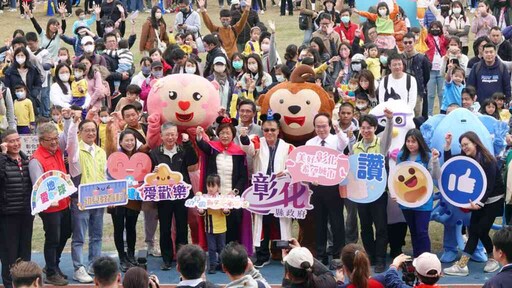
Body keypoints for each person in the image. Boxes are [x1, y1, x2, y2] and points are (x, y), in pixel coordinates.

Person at [443, 131, 505, 276]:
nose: (464, 147)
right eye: (462, 145)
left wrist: (480, 204)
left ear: (475, 143)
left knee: (478, 230)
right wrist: (447, 145)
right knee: (477, 229)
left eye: (467, 144)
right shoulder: (466, 157)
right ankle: (492, 257)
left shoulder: (487, 160)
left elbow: (489, 186)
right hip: (478, 200)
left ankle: (462, 265)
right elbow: (450, 164)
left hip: (493, 199)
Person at [240, 111, 294, 268]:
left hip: (280, 190)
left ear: (279, 131)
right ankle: (263, 255)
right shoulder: (257, 141)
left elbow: (294, 167)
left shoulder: (288, 147)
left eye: (273, 130)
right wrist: (244, 137)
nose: (269, 133)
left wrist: (286, 172)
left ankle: (283, 254)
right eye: (266, 130)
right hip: (262, 190)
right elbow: (249, 149)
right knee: (262, 222)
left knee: (281, 221)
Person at [29, 120, 74, 286]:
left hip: (64, 202)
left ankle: (52, 265)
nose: (55, 142)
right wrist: (51, 200)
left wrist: (69, 120)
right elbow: (38, 186)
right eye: (50, 139)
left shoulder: (57, 151)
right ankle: (51, 272)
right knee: (53, 239)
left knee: (66, 232)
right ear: (41, 141)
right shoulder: (36, 160)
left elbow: (68, 137)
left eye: (56, 138)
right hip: (49, 207)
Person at [196, 118, 251, 253]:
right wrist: (198, 135)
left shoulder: (239, 152)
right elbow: (202, 145)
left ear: (233, 135)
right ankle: (217, 256)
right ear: (218, 134)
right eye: (222, 133)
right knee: (216, 227)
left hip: (232, 196)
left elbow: (243, 176)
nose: (225, 136)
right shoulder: (213, 149)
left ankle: (232, 254)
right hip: (215, 197)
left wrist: (235, 191)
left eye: (228, 133)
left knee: (233, 225)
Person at [149, 122, 198, 270]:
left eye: (173, 134)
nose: (170, 137)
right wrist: (153, 171)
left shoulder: (183, 150)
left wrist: (188, 143)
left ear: (177, 135)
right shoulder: (155, 153)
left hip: (182, 195)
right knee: (165, 228)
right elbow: (150, 175)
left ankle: (182, 257)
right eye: (167, 135)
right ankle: (167, 258)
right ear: (161, 136)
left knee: (182, 227)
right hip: (163, 196)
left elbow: (193, 161)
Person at [351, 109, 394, 273]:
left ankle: (381, 258)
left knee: (381, 226)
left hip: (379, 193)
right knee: (366, 227)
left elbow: (388, 135)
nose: (366, 130)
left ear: (375, 128)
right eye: (363, 127)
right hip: (362, 194)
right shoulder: (356, 146)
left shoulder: (381, 144)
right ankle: (370, 256)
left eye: (369, 127)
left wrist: (389, 120)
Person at [306, 113, 348, 267]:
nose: (321, 129)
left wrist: (338, 129)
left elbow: (345, 142)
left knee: (337, 221)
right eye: (318, 126)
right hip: (316, 187)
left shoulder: (337, 139)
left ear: (329, 126)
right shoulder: (310, 142)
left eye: (324, 126)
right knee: (319, 222)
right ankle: (321, 254)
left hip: (334, 187)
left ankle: (338, 255)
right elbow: (307, 164)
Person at [67, 118, 107, 283]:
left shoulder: (101, 151)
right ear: (80, 132)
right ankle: (78, 268)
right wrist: (74, 122)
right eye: (87, 130)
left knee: (97, 235)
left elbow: (104, 175)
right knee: (79, 237)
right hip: (81, 201)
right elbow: (70, 140)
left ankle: (94, 264)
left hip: (99, 200)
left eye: (93, 130)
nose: (91, 133)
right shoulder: (75, 151)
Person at [396, 129, 440, 257]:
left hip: (423, 200)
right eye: (408, 141)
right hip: (407, 201)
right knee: (413, 231)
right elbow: (398, 176)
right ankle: (417, 258)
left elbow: (436, 175)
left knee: (422, 231)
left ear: (420, 142)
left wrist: (435, 161)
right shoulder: (401, 156)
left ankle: (426, 259)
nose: (410, 144)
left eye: (413, 142)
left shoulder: (428, 156)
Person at [0, 130, 34, 288]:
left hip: (26, 214)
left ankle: (24, 283)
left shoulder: (27, 160)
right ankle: (9, 284)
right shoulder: (2, 161)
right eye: (11, 141)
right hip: (8, 215)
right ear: (4, 144)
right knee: (9, 254)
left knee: (25, 253)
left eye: (17, 140)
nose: (15, 144)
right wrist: (2, 155)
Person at [105, 130, 142, 272]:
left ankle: (131, 254)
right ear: (120, 142)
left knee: (131, 227)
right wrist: (111, 196)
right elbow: (108, 176)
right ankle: (122, 257)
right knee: (119, 227)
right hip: (117, 197)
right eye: (126, 140)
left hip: (133, 197)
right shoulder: (114, 156)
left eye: (132, 140)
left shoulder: (140, 157)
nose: (129, 143)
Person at [198, 175, 230, 274]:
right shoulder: (204, 198)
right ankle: (212, 264)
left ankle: (222, 264)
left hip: (221, 228)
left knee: (222, 247)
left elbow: (227, 212)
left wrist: (225, 210)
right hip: (209, 228)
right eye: (208, 186)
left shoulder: (222, 198)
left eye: (213, 186)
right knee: (211, 248)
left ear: (218, 187)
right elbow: (202, 212)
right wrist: (201, 210)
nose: (210, 188)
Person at [3, 47, 42, 117]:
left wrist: (33, 94)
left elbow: (38, 84)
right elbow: (7, 88)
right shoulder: (9, 72)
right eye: (18, 55)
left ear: (26, 57)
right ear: (14, 57)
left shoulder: (32, 69)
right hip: (15, 103)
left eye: (22, 55)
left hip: (30, 101)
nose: (20, 57)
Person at [402, 33, 431, 118]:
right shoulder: (399, 57)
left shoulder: (422, 58)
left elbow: (426, 76)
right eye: (405, 42)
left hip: (418, 91)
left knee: (417, 116)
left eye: (410, 42)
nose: (408, 45)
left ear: (414, 42)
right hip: (402, 91)